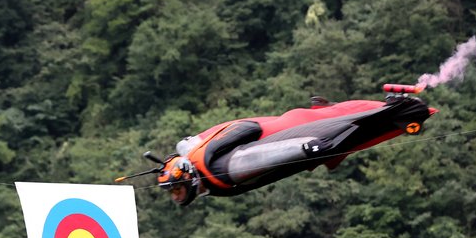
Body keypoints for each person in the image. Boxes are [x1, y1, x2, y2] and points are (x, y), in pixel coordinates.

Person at [155, 94, 435, 205]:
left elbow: (259, 157)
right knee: (332, 114)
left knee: (345, 126)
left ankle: (400, 110)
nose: (176, 197)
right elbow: (186, 143)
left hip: (294, 134)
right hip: (287, 122)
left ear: (189, 178)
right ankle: (389, 107)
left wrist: (305, 148)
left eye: (176, 190)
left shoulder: (222, 172)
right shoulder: (193, 152)